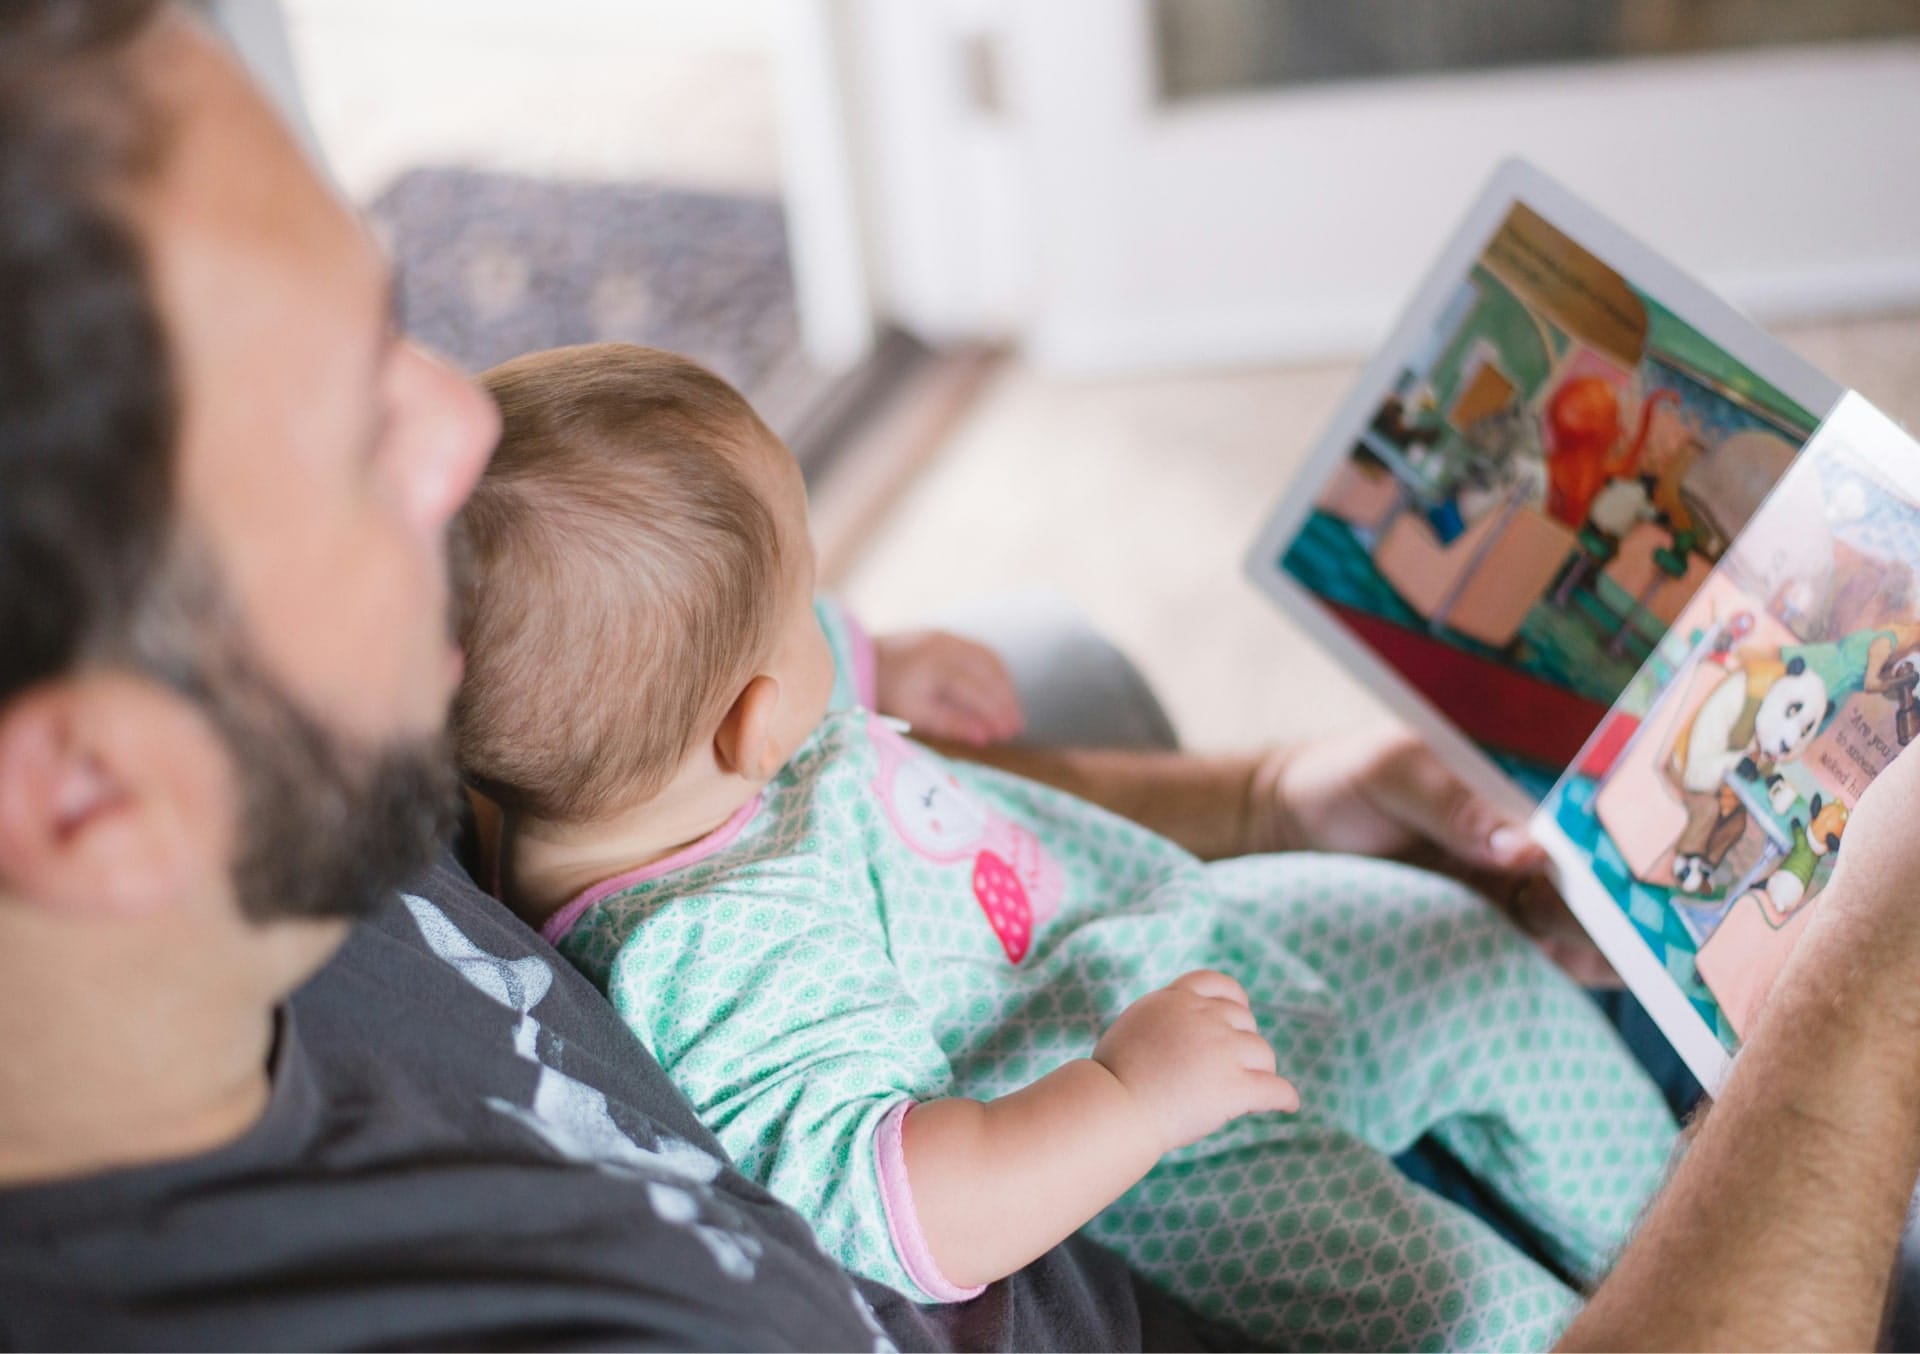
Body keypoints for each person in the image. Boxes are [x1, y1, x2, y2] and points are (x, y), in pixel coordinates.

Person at [0, 2, 1916, 1349]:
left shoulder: (357, 722)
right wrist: (1874, 987)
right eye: (344, 431)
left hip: (1153, 972)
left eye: (400, 316)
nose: (456, 431)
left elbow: (840, 803)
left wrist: (1258, 794)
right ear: (84, 792)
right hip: (1240, 1201)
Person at [452, 342, 1677, 1349]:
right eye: (808, 604)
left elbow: (747, 651)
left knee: (1458, 945)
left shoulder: (644, 757)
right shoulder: (717, 953)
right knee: (1466, 1315)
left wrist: (878, 657)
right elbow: (905, 1206)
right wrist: (1129, 1097)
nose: (828, 617)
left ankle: (1677, 1228)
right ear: (754, 723)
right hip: (1169, 1147)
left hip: (1165, 929)